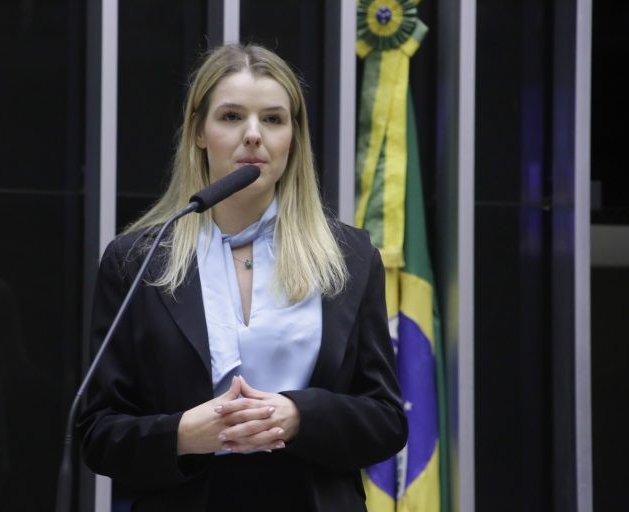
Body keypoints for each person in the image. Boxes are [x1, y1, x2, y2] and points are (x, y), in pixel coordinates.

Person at [76, 43, 407, 512]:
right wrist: (183, 434)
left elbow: (386, 420)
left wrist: (298, 416)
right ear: (198, 132)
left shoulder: (348, 257)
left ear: (293, 137)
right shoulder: (138, 261)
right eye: (231, 116)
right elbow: (98, 432)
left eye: (273, 119)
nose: (253, 135)